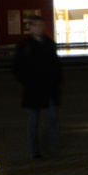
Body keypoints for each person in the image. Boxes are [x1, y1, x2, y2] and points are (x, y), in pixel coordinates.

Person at [11, 17, 62, 158]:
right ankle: (35, 152)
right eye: (36, 25)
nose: (39, 28)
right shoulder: (25, 46)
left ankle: (50, 149)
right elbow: (16, 67)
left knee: (52, 118)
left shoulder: (49, 44)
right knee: (33, 122)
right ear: (31, 28)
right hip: (33, 89)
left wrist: (56, 80)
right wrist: (26, 81)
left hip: (48, 88)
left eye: (41, 25)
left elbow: (56, 65)